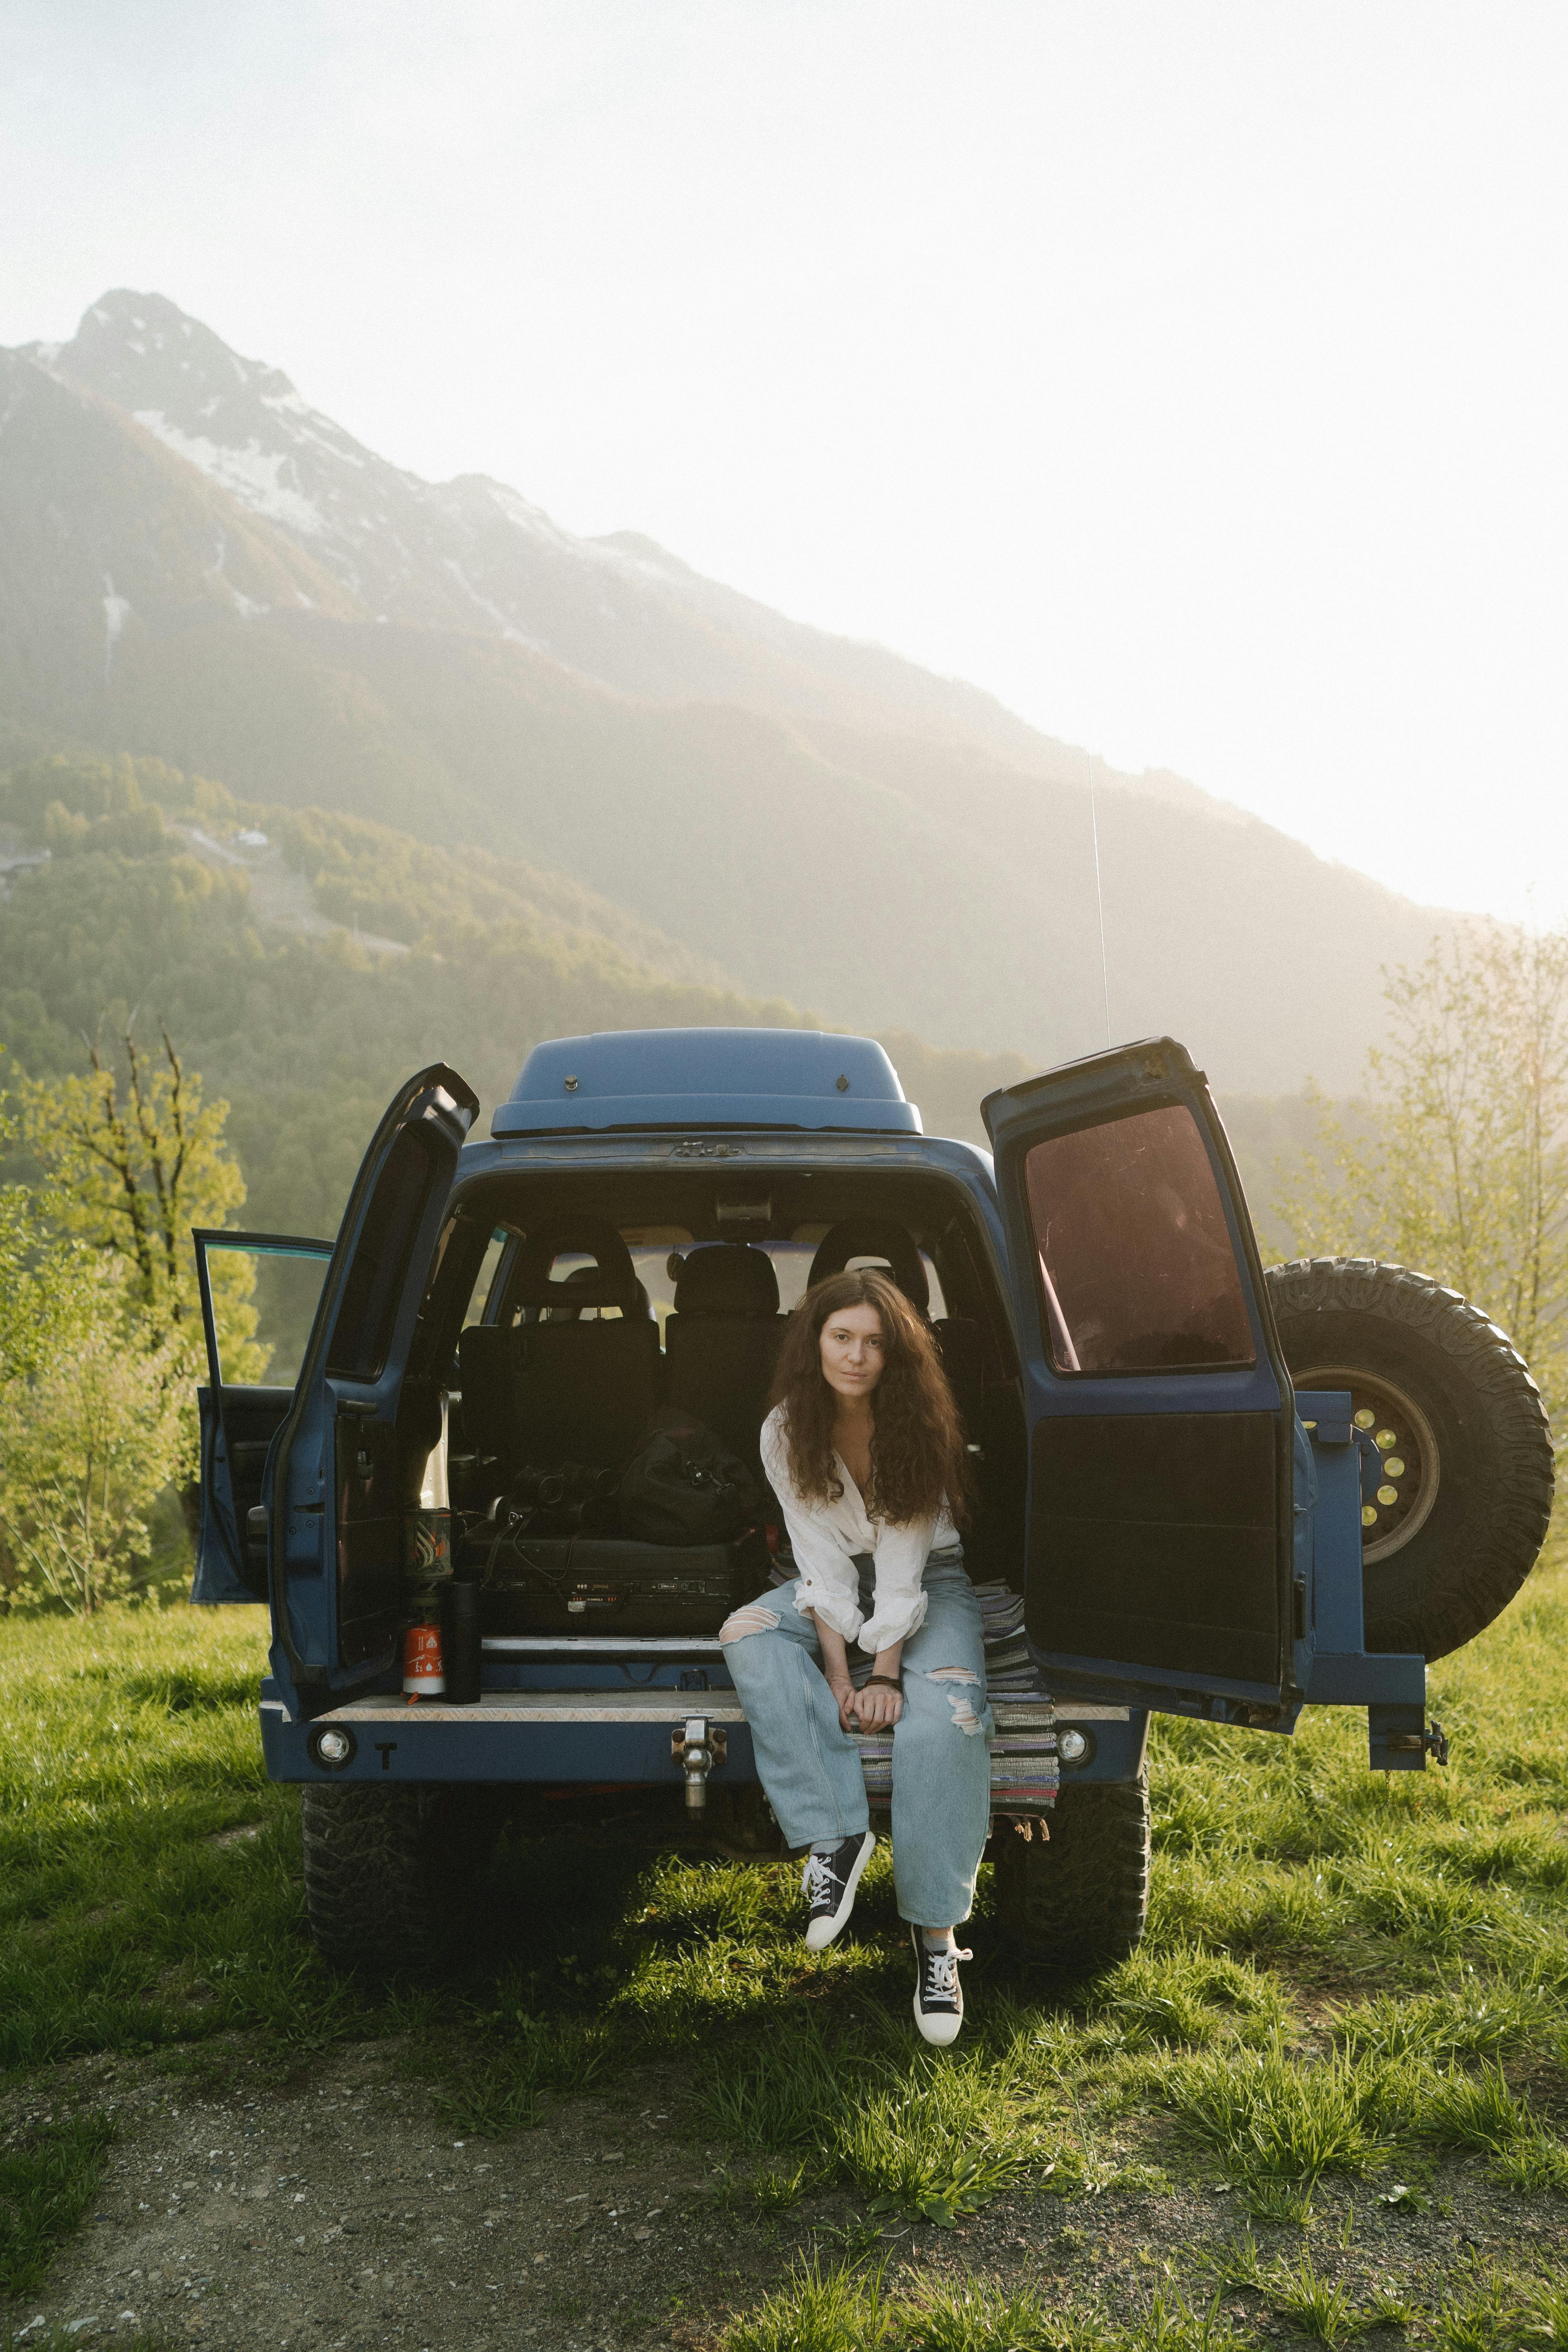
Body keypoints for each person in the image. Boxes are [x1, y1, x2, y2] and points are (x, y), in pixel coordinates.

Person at [719, 1269, 992, 2045]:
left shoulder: (918, 1424)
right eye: (841, 1337)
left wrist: (887, 1674)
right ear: (815, 1341)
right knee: (746, 1631)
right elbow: (819, 1566)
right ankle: (835, 1834)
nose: (856, 1356)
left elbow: (903, 1568)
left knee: (944, 1719)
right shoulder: (784, 1429)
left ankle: (936, 1938)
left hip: (929, 1579)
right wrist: (840, 1679)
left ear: (894, 1354)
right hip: (837, 1580)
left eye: (874, 1343)